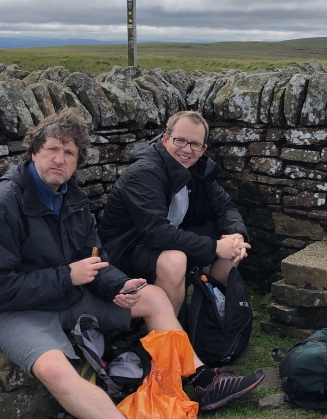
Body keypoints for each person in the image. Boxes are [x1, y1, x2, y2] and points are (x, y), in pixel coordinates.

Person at [0, 108, 264, 419]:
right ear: (33, 152)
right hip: (9, 313)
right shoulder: (0, 204)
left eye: (69, 152)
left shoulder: (71, 197)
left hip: (67, 295)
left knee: (153, 297)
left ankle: (203, 380)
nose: (59, 159)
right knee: (53, 368)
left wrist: (117, 285)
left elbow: (95, 257)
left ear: (78, 161)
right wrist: (67, 276)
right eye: (52, 149)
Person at [98, 110, 249, 315]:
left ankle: (210, 315)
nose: (187, 149)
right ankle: (171, 326)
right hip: (125, 250)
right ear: (165, 139)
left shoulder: (198, 169)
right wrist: (214, 247)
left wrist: (236, 235)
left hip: (162, 242)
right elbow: (156, 233)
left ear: (203, 149)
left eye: (195, 144)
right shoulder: (145, 173)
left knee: (232, 244)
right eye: (180, 140)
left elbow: (225, 207)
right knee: (175, 261)